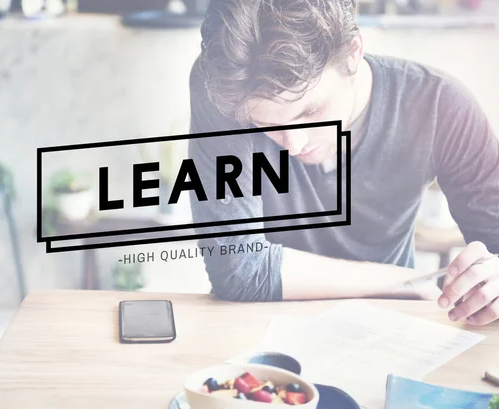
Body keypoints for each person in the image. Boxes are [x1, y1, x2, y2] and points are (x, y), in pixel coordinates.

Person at [187, 0, 499, 326]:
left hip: (394, 326)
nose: (294, 144)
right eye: (263, 124)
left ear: (353, 51)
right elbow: (239, 268)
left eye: (309, 112)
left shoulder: (438, 104)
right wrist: (402, 282)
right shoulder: (228, 86)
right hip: (267, 329)